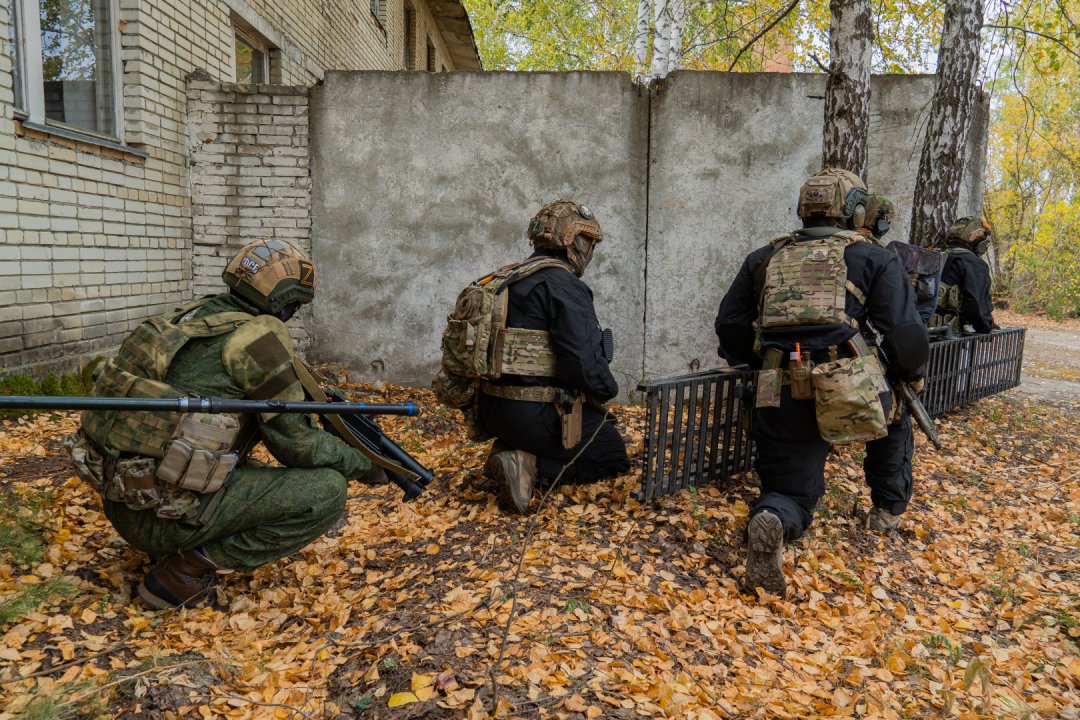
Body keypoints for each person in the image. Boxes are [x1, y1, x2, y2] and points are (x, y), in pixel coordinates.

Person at [64, 239, 383, 609]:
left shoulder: (189, 318)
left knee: (250, 467)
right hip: (161, 514)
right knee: (327, 491)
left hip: (123, 498)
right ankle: (182, 574)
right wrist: (366, 465)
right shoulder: (257, 338)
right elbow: (296, 444)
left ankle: (177, 545)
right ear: (285, 302)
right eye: (296, 305)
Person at [713, 169, 929, 597]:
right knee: (893, 420)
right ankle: (886, 511)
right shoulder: (873, 257)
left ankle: (774, 514)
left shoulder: (764, 257)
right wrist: (910, 377)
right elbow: (905, 335)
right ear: (853, 209)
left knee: (788, 486)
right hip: (850, 383)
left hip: (779, 387)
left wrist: (767, 358)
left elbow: (730, 328)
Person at [433, 200, 630, 515]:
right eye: (590, 243)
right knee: (612, 454)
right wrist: (606, 389)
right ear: (575, 242)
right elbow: (584, 368)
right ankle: (527, 464)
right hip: (534, 415)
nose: (590, 252)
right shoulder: (565, 285)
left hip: (489, 411)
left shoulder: (504, 278)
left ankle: (509, 448)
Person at [933, 217, 996, 333]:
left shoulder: (933, 255)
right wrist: (986, 327)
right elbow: (976, 306)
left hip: (918, 329)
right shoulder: (974, 263)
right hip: (944, 334)